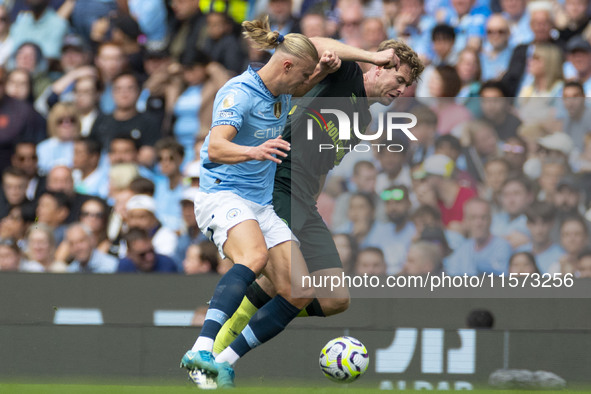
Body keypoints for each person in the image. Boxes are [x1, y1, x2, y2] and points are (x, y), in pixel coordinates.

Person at [211, 34, 423, 376]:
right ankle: (220, 355)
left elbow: (325, 163)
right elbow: (311, 42)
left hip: (305, 200)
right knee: (285, 281)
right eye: (399, 79)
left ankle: (238, 329)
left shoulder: (364, 121)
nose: (401, 91)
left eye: (407, 86)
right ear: (380, 67)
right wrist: (371, 53)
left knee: (334, 299)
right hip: (278, 185)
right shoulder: (347, 74)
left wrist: (312, 201)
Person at [180, 17, 325, 388]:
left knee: (298, 291)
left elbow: (323, 49)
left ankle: (223, 362)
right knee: (254, 257)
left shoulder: (284, 91)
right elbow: (215, 146)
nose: (306, 84)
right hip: (222, 195)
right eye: (304, 76)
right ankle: (201, 347)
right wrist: (254, 150)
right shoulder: (238, 92)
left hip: (260, 206)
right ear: (287, 66)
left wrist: (356, 60)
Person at [445, 198, 512, 276]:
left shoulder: (502, 246)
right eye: (473, 218)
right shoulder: (462, 250)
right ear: (466, 221)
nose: (478, 223)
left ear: (490, 220)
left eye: (483, 217)